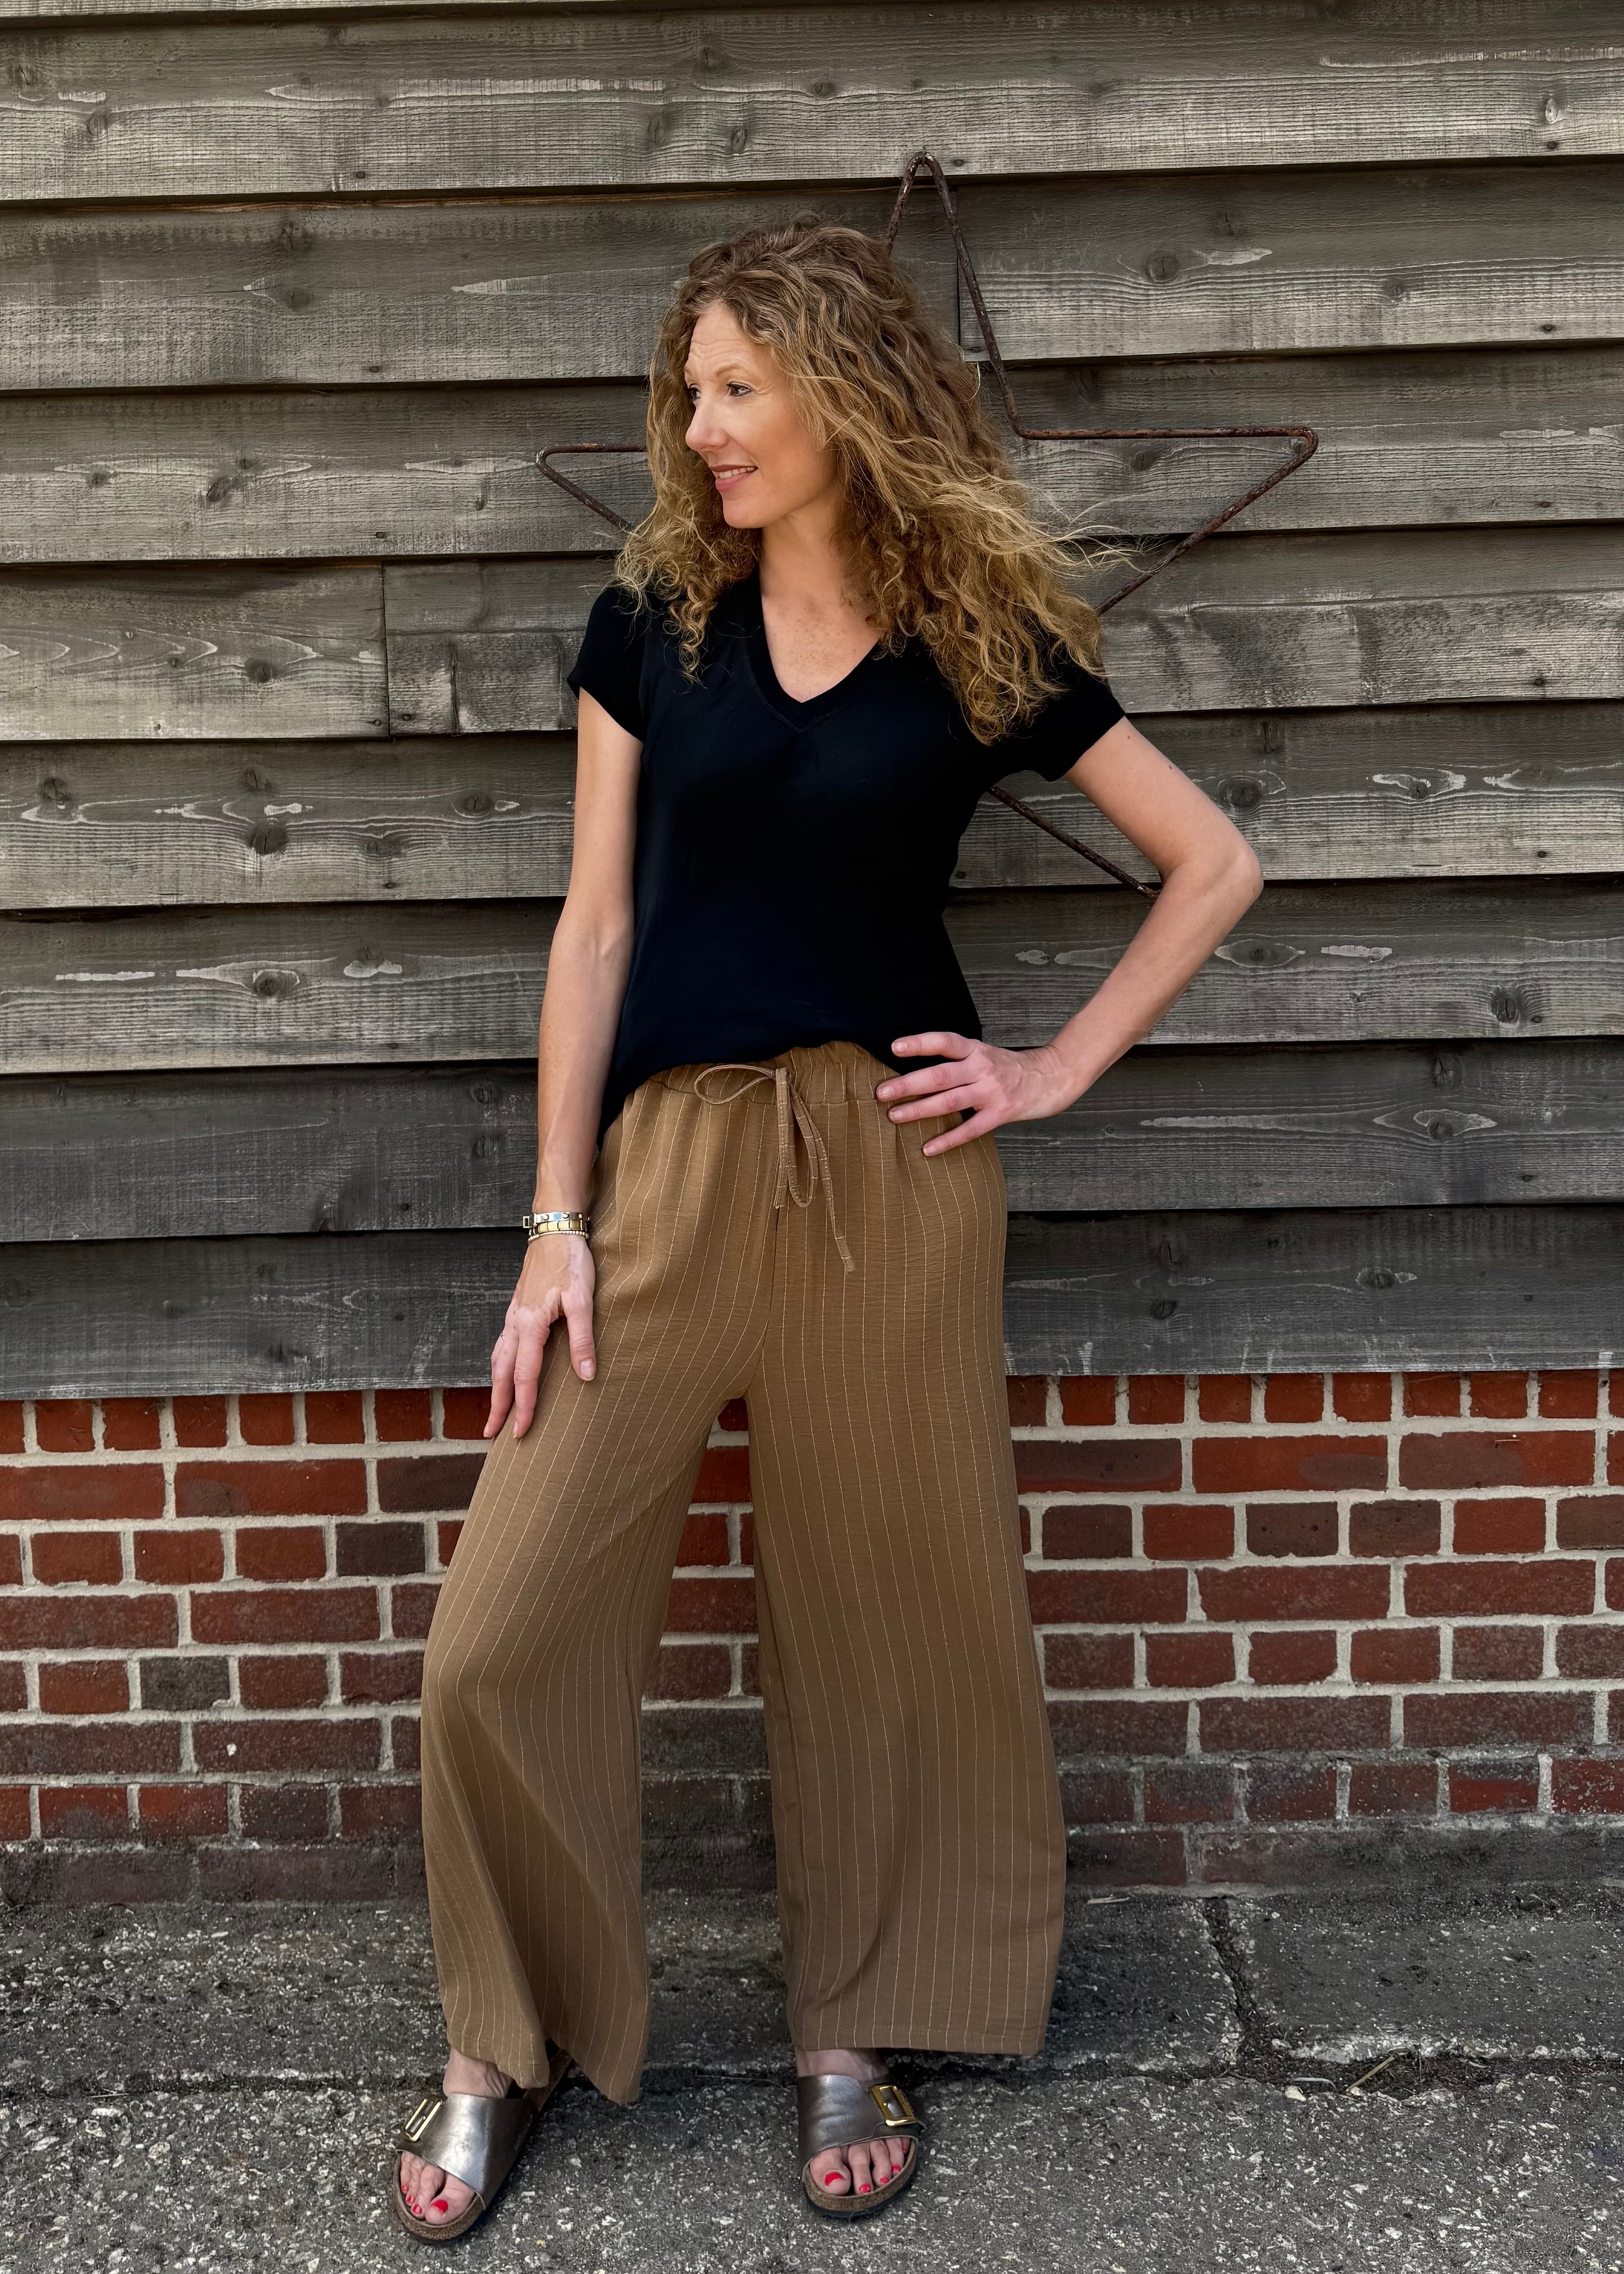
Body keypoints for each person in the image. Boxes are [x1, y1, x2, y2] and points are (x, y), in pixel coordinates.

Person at [390, 216, 1261, 2243]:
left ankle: (855, 2023)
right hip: (675, 1169)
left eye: (733, 389)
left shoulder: (974, 644)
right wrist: (556, 1216)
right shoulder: (649, 625)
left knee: (880, 1617)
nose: (696, 429)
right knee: (494, 1634)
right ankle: (493, 2045)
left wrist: (1049, 1070)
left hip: (894, 1174)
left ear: (839, 394)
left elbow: (1213, 863)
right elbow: (594, 927)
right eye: (689, 390)